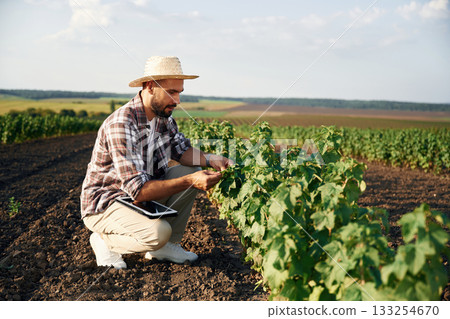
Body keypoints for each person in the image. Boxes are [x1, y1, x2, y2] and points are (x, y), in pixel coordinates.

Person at [80, 56, 233, 269]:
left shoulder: (164, 118)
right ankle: (105, 241)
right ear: (150, 86)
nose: (177, 100)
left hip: (137, 198)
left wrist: (211, 159)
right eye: (171, 92)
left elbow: (182, 151)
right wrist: (191, 180)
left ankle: (164, 247)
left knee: (191, 167)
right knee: (159, 232)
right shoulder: (122, 124)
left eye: (179, 92)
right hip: (107, 203)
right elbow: (139, 191)